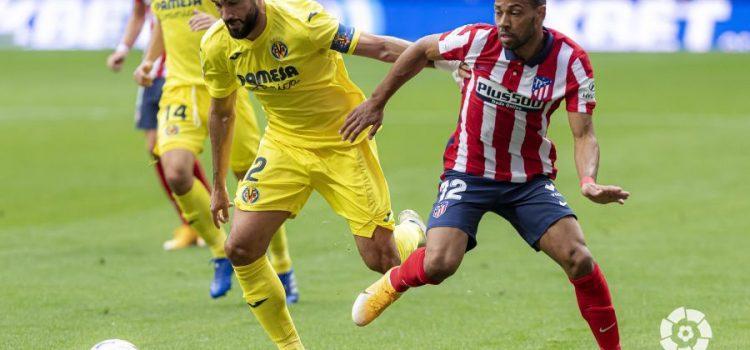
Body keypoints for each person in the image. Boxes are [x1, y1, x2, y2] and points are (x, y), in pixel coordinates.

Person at [342, 1, 629, 349]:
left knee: (578, 257)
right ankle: (393, 282)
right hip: (469, 171)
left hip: (529, 181)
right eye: (498, 11)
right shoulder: (478, 41)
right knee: (439, 263)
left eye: (515, 13)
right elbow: (420, 49)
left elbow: (584, 134)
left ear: (540, 14)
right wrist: (377, 101)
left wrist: (588, 180)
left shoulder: (571, 62)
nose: (503, 23)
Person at [201, 0, 466, 347]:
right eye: (219, 5)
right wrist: (218, 184)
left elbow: (382, 47)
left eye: (233, 4)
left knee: (383, 261)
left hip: (344, 140)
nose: (227, 15)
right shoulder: (216, 44)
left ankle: (411, 230)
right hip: (284, 145)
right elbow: (222, 112)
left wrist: (452, 63)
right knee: (239, 247)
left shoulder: (304, 23)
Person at [133, 1, 298, 301]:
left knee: (254, 184)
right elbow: (163, 25)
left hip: (225, 87)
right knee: (176, 174)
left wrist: (218, 24)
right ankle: (220, 252)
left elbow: (256, 17)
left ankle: (283, 267)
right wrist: (148, 61)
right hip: (180, 89)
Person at [107, 0, 205, 250]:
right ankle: (190, 223)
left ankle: (206, 221)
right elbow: (139, 14)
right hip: (153, 71)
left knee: (175, 150)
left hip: (185, 70)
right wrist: (123, 48)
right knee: (155, 148)